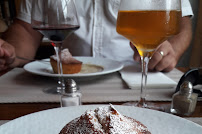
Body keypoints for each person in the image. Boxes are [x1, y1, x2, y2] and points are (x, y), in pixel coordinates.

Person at [0, 0, 193, 72]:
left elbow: (181, 22)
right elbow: (25, 30)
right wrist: (9, 52)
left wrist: (171, 49)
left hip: (135, 75)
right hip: (69, 79)